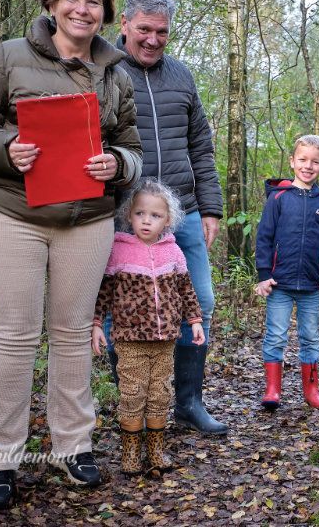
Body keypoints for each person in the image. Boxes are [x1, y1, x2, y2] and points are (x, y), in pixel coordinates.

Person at [0, 0, 142, 509]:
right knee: (14, 337)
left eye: (94, 1)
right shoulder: (8, 56)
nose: (83, 9)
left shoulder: (116, 73)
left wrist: (118, 164)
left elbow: (132, 146)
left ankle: (72, 446)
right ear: (52, 3)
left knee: (73, 334)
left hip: (88, 221)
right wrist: (7, 149)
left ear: (106, 12)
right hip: (15, 216)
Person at [104, 0, 227, 435]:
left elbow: (201, 146)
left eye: (162, 31)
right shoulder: (104, 71)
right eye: (144, 30)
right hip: (123, 214)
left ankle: (189, 404)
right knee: (123, 311)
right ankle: (134, 404)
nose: (153, 40)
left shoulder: (181, 76)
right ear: (125, 24)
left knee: (201, 302)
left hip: (183, 213)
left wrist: (210, 208)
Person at [92, 179, 204, 475]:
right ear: (129, 215)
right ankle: (130, 452)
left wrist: (195, 321)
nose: (146, 220)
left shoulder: (173, 251)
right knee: (132, 392)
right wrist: (96, 323)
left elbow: (186, 290)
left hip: (165, 339)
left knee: (160, 393)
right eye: (140, 213)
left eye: (155, 215)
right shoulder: (119, 250)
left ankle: (155, 450)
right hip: (129, 339)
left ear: (167, 220)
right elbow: (104, 291)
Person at [254, 135, 319, 410]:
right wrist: (263, 274)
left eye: (315, 162)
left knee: (310, 337)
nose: (308, 166)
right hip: (279, 283)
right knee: (276, 336)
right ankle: (272, 390)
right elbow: (264, 238)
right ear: (292, 161)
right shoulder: (278, 198)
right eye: (302, 159)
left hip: (311, 286)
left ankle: (312, 391)